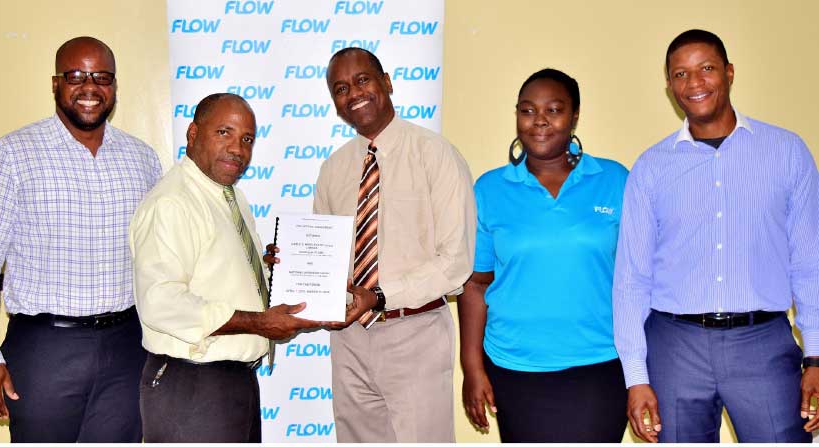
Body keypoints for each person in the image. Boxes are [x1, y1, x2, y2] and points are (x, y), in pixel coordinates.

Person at [613, 29, 819, 443]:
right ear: (670, 86)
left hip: (763, 344)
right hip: (674, 348)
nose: (695, 83)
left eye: (706, 69)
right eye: (681, 74)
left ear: (728, 73)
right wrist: (636, 377)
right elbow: (632, 279)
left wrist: (815, 354)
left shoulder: (786, 152)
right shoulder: (651, 168)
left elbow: (809, 263)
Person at [0, 36, 162, 442]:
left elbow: (161, 250)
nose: (89, 87)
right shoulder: (11, 156)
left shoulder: (142, 159)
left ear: (114, 87)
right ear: (55, 84)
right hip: (45, 349)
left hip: (128, 345)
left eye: (102, 76)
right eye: (75, 76)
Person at [129, 93, 333, 442]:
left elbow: (220, 278)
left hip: (232, 382)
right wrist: (259, 323)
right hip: (192, 385)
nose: (237, 148)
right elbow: (161, 302)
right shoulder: (172, 203)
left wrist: (272, 274)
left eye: (247, 139)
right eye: (224, 132)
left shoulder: (230, 197)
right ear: (193, 133)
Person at [313, 47, 476, 442]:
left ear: (387, 82)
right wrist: (292, 268)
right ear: (335, 103)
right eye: (340, 88)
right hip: (349, 338)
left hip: (415, 332)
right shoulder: (333, 169)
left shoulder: (436, 155)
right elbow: (325, 256)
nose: (353, 93)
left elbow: (456, 262)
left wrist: (381, 296)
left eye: (363, 80)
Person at [459, 68, 629, 442]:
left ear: (574, 117)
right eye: (527, 110)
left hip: (600, 363)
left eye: (554, 110)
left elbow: (639, 278)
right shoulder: (489, 188)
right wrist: (471, 366)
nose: (539, 120)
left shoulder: (615, 180)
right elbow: (475, 284)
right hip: (515, 366)